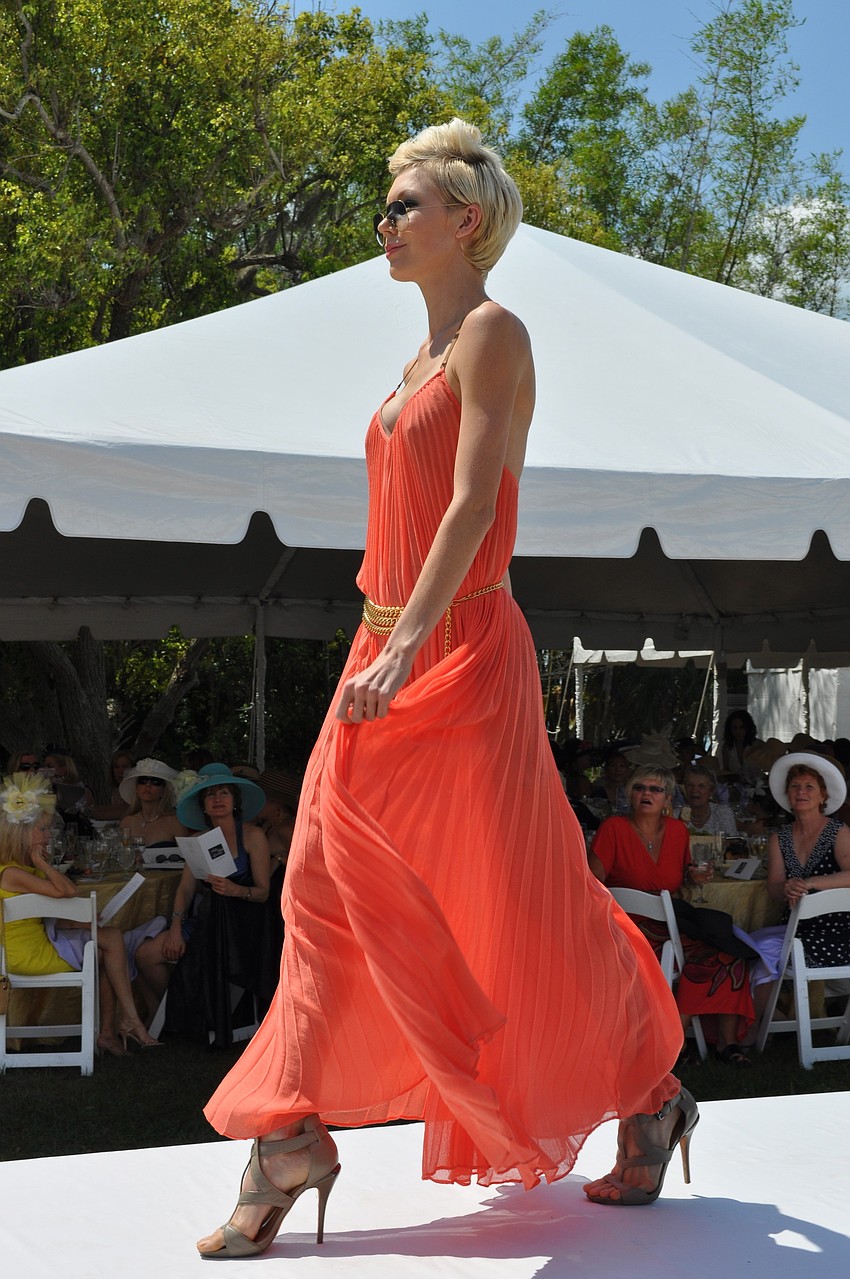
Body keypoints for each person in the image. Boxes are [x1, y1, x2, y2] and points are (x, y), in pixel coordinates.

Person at [196, 118, 691, 1259]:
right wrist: (385, 642)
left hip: (456, 653)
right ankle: (288, 1138)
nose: (384, 222)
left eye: (403, 204)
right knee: (318, 878)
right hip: (387, 648)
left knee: (522, 901)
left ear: (466, 219)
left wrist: (409, 644)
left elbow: (472, 506)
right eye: (386, 204)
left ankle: (648, 1090)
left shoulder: (492, 334)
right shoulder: (412, 363)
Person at [590, 765, 755, 1065]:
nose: (647, 794)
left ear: (668, 799)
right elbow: (592, 882)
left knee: (730, 953)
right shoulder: (614, 828)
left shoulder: (679, 831)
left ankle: (721, 1041)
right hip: (628, 927)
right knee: (712, 955)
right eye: (640, 788)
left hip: (670, 925)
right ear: (630, 794)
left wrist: (694, 877)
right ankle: (676, 1040)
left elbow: (681, 877)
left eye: (655, 789)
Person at [0, 771, 159, 1055]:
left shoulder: (20, 870)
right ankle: (125, 1023)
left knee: (110, 944)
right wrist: (43, 862)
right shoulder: (12, 873)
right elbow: (67, 892)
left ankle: (115, 1029)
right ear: (23, 833)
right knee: (111, 946)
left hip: (34, 944)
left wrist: (79, 921)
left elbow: (38, 914)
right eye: (43, 830)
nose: (49, 835)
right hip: (25, 955)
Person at [134, 764, 273, 1042]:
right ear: (204, 807)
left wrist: (236, 890)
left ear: (235, 802)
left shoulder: (253, 836)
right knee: (144, 955)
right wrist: (176, 927)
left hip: (244, 927)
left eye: (224, 793)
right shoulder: (198, 840)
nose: (217, 799)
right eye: (210, 796)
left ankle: (186, 1009)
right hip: (207, 922)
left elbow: (263, 893)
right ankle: (178, 1008)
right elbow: (185, 889)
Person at [750, 752, 850, 1006]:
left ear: (822, 795)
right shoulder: (779, 837)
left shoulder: (838, 831)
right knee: (751, 946)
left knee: (762, 949)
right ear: (788, 795)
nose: (801, 792)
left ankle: (760, 1024)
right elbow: (773, 889)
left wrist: (810, 883)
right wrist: (786, 887)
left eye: (809, 787)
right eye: (795, 786)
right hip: (795, 929)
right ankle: (767, 1020)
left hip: (838, 934)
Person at [119, 757, 186, 849]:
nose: (148, 785)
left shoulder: (175, 822)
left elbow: (188, 858)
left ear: (164, 791)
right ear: (136, 789)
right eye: (142, 781)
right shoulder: (127, 822)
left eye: (155, 782)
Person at [677, 764, 737, 837]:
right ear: (685, 788)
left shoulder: (723, 813)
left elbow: (732, 842)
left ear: (711, 791)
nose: (694, 790)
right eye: (690, 785)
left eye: (701, 786)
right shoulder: (675, 815)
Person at [591, 749, 632, 814]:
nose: (617, 769)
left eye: (622, 766)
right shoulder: (599, 793)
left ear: (627, 770)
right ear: (606, 769)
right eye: (613, 765)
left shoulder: (634, 792)